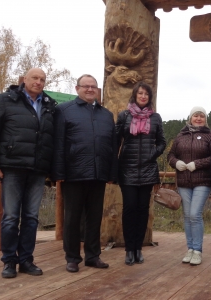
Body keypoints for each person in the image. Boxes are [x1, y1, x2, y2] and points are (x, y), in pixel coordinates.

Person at [0, 68, 56, 278]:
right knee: (11, 217)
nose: (38, 82)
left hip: (38, 170)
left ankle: (26, 260)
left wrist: (51, 169)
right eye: (35, 78)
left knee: (31, 218)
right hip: (12, 168)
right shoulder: (5, 100)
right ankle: (9, 261)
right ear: (24, 80)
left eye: (42, 79)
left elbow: (52, 140)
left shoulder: (49, 105)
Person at [52, 74, 117, 273]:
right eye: (86, 86)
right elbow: (58, 143)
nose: (90, 89)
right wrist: (58, 172)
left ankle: (92, 256)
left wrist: (111, 172)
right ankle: (72, 257)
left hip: (98, 174)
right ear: (77, 88)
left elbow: (112, 146)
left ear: (97, 90)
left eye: (93, 87)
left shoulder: (106, 115)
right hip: (74, 174)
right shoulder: (64, 111)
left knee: (95, 217)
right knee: (72, 218)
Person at [115, 82, 166, 266]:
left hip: (147, 170)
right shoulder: (124, 115)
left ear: (149, 97)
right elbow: (116, 140)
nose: (143, 96)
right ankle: (129, 250)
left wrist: (152, 154)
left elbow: (162, 142)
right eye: (140, 93)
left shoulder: (156, 118)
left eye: (146, 94)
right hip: (127, 169)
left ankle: (138, 248)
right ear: (135, 95)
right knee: (129, 209)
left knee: (143, 210)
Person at [167, 106, 211, 266]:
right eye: (196, 116)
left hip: (203, 180)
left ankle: (198, 250)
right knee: (187, 215)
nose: (199, 118)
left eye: (202, 116)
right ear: (190, 118)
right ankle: (190, 249)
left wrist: (197, 164)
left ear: (205, 119)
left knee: (195, 214)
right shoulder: (180, 136)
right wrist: (176, 162)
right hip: (184, 181)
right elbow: (170, 155)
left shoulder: (210, 136)